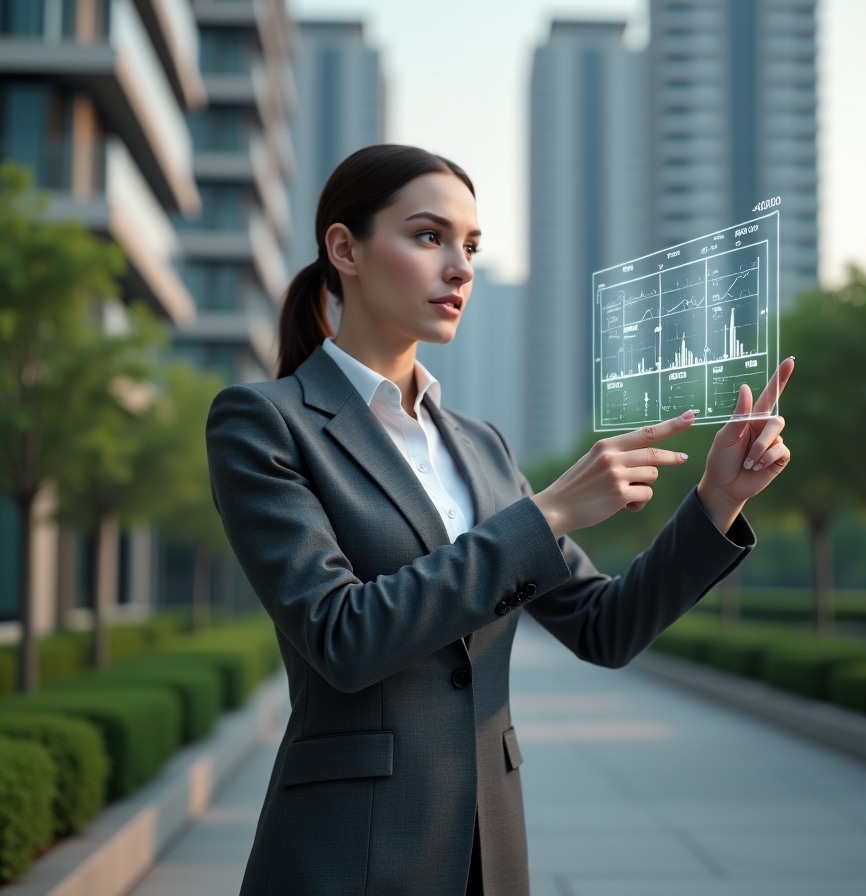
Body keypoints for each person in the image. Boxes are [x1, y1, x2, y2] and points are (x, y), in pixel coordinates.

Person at [206, 144, 793, 896]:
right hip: (346, 854)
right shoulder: (264, 422)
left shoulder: (480, 447)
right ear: (344, 248)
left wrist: (718, 499)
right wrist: (545, 512)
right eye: (429, 236)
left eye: (472, 246)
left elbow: (602, 626)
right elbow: (340, 635)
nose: (461, 267)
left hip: (490, 848)